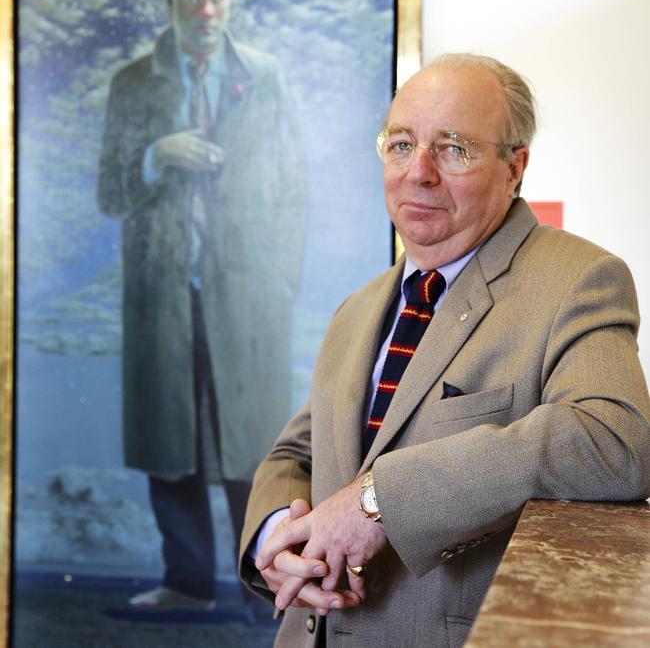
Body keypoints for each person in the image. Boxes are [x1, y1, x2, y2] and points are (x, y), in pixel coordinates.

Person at [240, 54, 650, 647]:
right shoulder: (358, 308)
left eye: (454, 148)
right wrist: (277, 535)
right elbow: (299, 453)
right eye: (402, 144)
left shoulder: (579, 280)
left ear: (516, 168)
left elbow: (614, 439)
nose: (420, 172)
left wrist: (378, 499)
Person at [97, 0, 307, 613]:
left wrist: (281, 280)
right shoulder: (134, 82)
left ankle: (264, 590)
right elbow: (109, 191)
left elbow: (295, 183)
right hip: (162, 292)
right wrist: (157, 155)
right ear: (170, 4)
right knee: (170, 442)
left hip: (248, 293)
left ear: (231, 1)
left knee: (253, 443)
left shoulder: (264, 77)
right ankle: (187, 585)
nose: (205, 11)